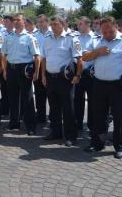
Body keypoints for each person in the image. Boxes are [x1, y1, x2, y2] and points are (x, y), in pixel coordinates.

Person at [83, 16, 122, 159]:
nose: (107, 34)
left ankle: (121, 146)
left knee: (120, 116)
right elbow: (85, 57)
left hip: (118, 85)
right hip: (99, 83)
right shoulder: (96, 40)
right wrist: (97, 52)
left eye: (110, 31)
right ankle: (97, 143)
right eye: (104, 32)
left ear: (116, 27)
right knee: (98, 116)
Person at [41, 16, 83, 147]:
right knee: (54, 107)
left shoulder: (71, 39)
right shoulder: (47, 39)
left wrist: (78, 75)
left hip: (65, 79)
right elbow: (43, 59)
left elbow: (79, 59)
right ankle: (56, 132)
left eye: (56, 24)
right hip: (50, 77)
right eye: (52, 24)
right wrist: (43, 76)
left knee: (68, 108)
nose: (53, 26)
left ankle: (71, 136)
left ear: (63, 25)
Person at [1, 13, 41, 135]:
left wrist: (36, 72)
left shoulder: (30, 37)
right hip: (11, 69)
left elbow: (37, 57)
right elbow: (3, 54)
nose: (16, 22)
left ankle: (30, 126)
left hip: (24, 70)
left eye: (19, 20)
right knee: (13, 98)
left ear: (24, 22)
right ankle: (14, 123)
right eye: (15, 20)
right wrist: (4, 70)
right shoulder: (8, 37)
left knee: (27, 98)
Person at [75, 16, 98, 132]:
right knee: (77, 100)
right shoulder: (75, 37)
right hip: (77, 72)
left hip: (91, 74)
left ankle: (91, 126)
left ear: (88, 25)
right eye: (78, 24)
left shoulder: (96, 38)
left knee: (93, 101)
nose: (78, 26)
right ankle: (77, 124)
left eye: (80, 24)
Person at [34, 14, 52, 123]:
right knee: (39, 92)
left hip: (49, 66)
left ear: (47, 22)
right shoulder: (35, 34)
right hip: (38, 65)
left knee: (51, 93)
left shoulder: (52, 34)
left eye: (42, 22)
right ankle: (40, 116)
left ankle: (52, 116)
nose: (40, 24)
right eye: (38, 22)